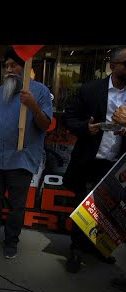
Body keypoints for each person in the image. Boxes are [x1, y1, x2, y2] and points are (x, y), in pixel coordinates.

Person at [0, 47, 52, 259]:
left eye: (13, 65)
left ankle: (11, 241)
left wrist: (33, 105)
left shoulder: (40, 91)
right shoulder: (0, 92)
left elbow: (44, 125)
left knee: (16, 206)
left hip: (21, 159)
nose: (9, 69)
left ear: (25, 67)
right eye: (6, 66)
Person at [61, 46, 126, 272]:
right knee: (84, 206)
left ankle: (100, 247)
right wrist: (85, 128)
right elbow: (69, 118)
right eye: (125, 63)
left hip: (116, 164)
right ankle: (76, 251)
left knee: (108, 210)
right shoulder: (91, 90)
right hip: (90, 159)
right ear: (113, 65)